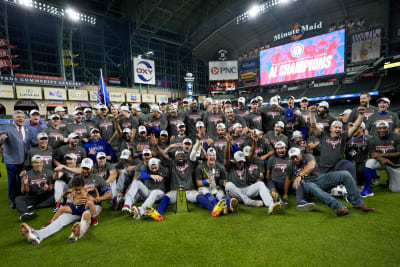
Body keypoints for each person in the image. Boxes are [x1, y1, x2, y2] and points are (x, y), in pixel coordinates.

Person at [288, 147, 374, 216]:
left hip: (320, 179)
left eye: (296, 156)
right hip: (307, 184)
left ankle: (358, 203)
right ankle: (339, 207)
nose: (295, 159)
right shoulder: (290, 165)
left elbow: (311, 165)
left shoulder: (307, 156)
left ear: (300, 154)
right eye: (292, 158)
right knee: (312, 187)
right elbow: (287, 179)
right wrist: (285, 193)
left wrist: (299, 175)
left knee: (345, 174)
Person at [223, 132, 281, 214]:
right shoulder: (230, 166)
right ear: (234, 161)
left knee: (260, 184)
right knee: (228, 185)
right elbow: (226, 157)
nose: (241, 163)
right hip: (234, 192)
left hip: (246, 189)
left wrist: (254, 142)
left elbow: (251, 153)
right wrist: (228, 143)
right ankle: (248, 201)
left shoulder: (245, 163)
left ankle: (271, 205)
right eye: (239, 162)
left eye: (242, 161)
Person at [309, 105, 365, 181]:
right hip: (325, 166)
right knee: (324, 185)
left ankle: (352, 186)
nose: (338, 129)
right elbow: (313, 125)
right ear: (331, 128)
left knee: (350, 166)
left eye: (339, 128)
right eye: (336, 127)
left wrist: (361, 115)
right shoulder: (323, 135)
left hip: (338, 165)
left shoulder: (343, 136)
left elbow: (356, 127)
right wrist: (312, 113)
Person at [0, 110, 34, 209]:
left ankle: (21, 198)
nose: (21, 119)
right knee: (12, 181)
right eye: (18, 117)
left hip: (24, 160)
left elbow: (31, 143)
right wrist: (1, 138)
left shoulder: (27, 129)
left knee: (23, 179)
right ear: (13, 119)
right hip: (11, 160)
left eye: (22, 117)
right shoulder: (6, 127)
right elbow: (0, 138)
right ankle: (12, 199)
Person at [196, 148, 239, 216]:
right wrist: (206, 181)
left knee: (220, 196)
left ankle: (230, 205)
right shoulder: (200, 167)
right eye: (210, 155)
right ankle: (218, 206)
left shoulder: (220, 167)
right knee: (205, 191)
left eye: (213, 155)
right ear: (207, 156)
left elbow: (223, 180)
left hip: (215, 186)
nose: (212, 157)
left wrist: (224, 183)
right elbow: (198, 183)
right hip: (204, 187)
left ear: (216, 156)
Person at [363, 120, 400, 195]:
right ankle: (367, 188)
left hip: (395, 164)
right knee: (370, 163)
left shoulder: (397, 136)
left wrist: (382, 155)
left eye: (384, 128)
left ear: (388, 128)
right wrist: (382, 159)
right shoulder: (372, 139)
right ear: (376, 129)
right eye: (379, 128)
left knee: (396, 189)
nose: (382, 130)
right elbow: (373, 154)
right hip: (382, 162)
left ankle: (391, 179)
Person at [15, 155, 54, 221]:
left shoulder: (49, 172)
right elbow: (24, 191)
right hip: (33, 197)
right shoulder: (26, 175)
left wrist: (48, 188)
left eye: (40, 162)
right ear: (32, 164)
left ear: (42, 163)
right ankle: (25, 214)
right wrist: (25, 185)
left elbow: (52, 186)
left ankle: (34, 207)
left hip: (45, 196)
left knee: (55, 197)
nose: (39, 164)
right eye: (36, 163)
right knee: (18, 199)